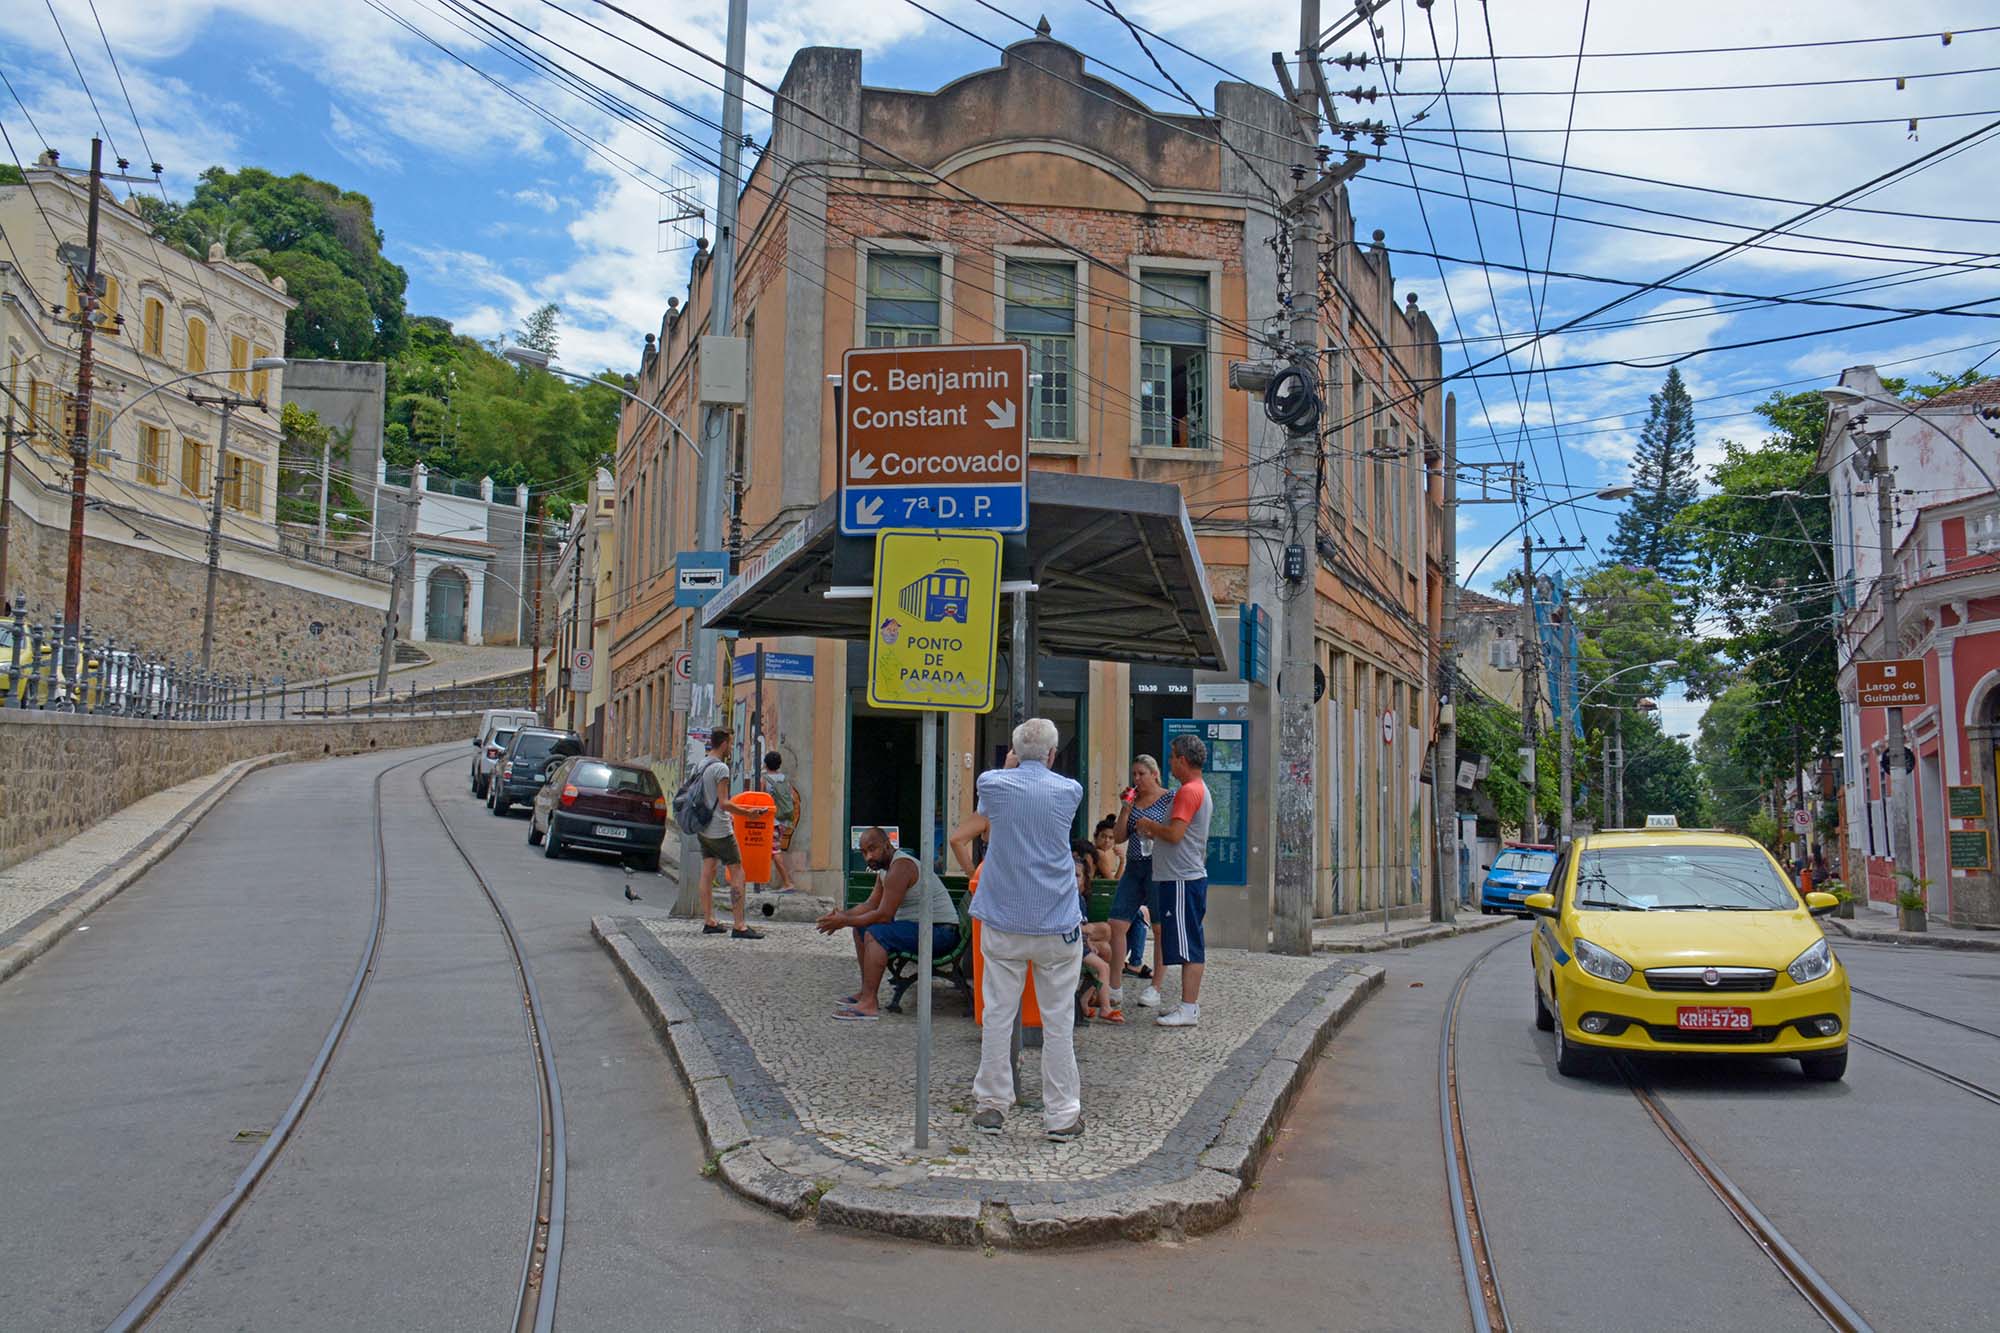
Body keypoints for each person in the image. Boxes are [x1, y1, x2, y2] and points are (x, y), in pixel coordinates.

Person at [961, 719, 1086, 1142]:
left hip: (1005, 919)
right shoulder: (1070, 791)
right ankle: (1062, 1115)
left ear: (1012, 754)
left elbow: (985, 808)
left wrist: (1010, 765)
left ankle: (992, 1105)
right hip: (1056, 920)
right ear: (1053, 755)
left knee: (998, 1012)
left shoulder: (993, 783)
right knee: (1058, 1020)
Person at [816, 827, 957, 1020]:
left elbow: (883, 915)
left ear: (887, 845)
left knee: (877, 933)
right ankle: (866, 993)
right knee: (861, 928)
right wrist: (843, 915)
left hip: (940, 933)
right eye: (864, 852)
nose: (868, 857)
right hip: (924, 929)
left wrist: (844, 921)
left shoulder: (901, 867)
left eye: (872, 849)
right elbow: (871, 904)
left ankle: (869, 1004)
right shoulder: (885, 870)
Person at [1134, 732, 1213, 1027]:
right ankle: (1186, 1005)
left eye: (1171, 757)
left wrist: (1149, 826)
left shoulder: (1188, 791)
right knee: (1185, 941)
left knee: (1189, 944)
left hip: (1182, 877)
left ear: (1182, 759)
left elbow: (1175, 834)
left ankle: (1189, 1007)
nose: (1169, 762)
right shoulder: (1195, 789)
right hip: (1181, 876)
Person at [1109, 756, 1171, 1001]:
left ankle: (1155, 986)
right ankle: (1114, 986)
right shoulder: (1132, 801)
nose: (1136, 779)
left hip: (1159, 866)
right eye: (1134, 774)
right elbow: (1119, 837)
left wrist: (1153, 831)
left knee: (1158, 927)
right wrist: (1125, 808)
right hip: (1135, 865)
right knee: (1117, 923)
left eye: (1141, 774)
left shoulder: (1169, 799)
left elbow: (1175, 832)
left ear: (1154, 774)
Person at [693, 729, 764, 940]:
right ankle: (739, 925)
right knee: (738, 872)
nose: (731, 747)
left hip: (702, 827)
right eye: (730, 743)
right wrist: (747, 813)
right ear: (724, 743)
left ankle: (709, 921)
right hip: (720, 829)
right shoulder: (720, 768)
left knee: (708, 870)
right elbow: (724, 803)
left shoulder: (701, 764)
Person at [1074, 841, 1118, 1021]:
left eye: (1077, 876)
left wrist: (1090, 942)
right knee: (1102, 967)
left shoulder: (1080, 901)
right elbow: (1070, 927)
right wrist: (1087, 929)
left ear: (1084, 881)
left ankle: (1085, 1000)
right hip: (1071, 947)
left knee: (1100, 965)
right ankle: (1106, 1008)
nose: (1072, 879)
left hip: (1082, 946)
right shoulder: (1067, 901)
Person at [763, 750, 800, 891]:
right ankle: (763, 881)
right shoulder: (784, 779)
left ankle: (788, 883)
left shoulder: (764, 779)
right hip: (784, 820)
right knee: (770, 850)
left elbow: (761, 799)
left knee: (774, 851)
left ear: (766, 764)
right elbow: (791, 798)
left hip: (772, 821)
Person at [1092, 817, 1124, 881]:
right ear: (1096, 837)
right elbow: (1113, 884)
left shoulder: (1095, 851)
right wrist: (1122, 862)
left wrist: (1121, 861)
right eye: (1103, 836)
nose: (1107, 840)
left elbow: (1113, 881)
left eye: (1111, 837)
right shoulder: (1099, 854)